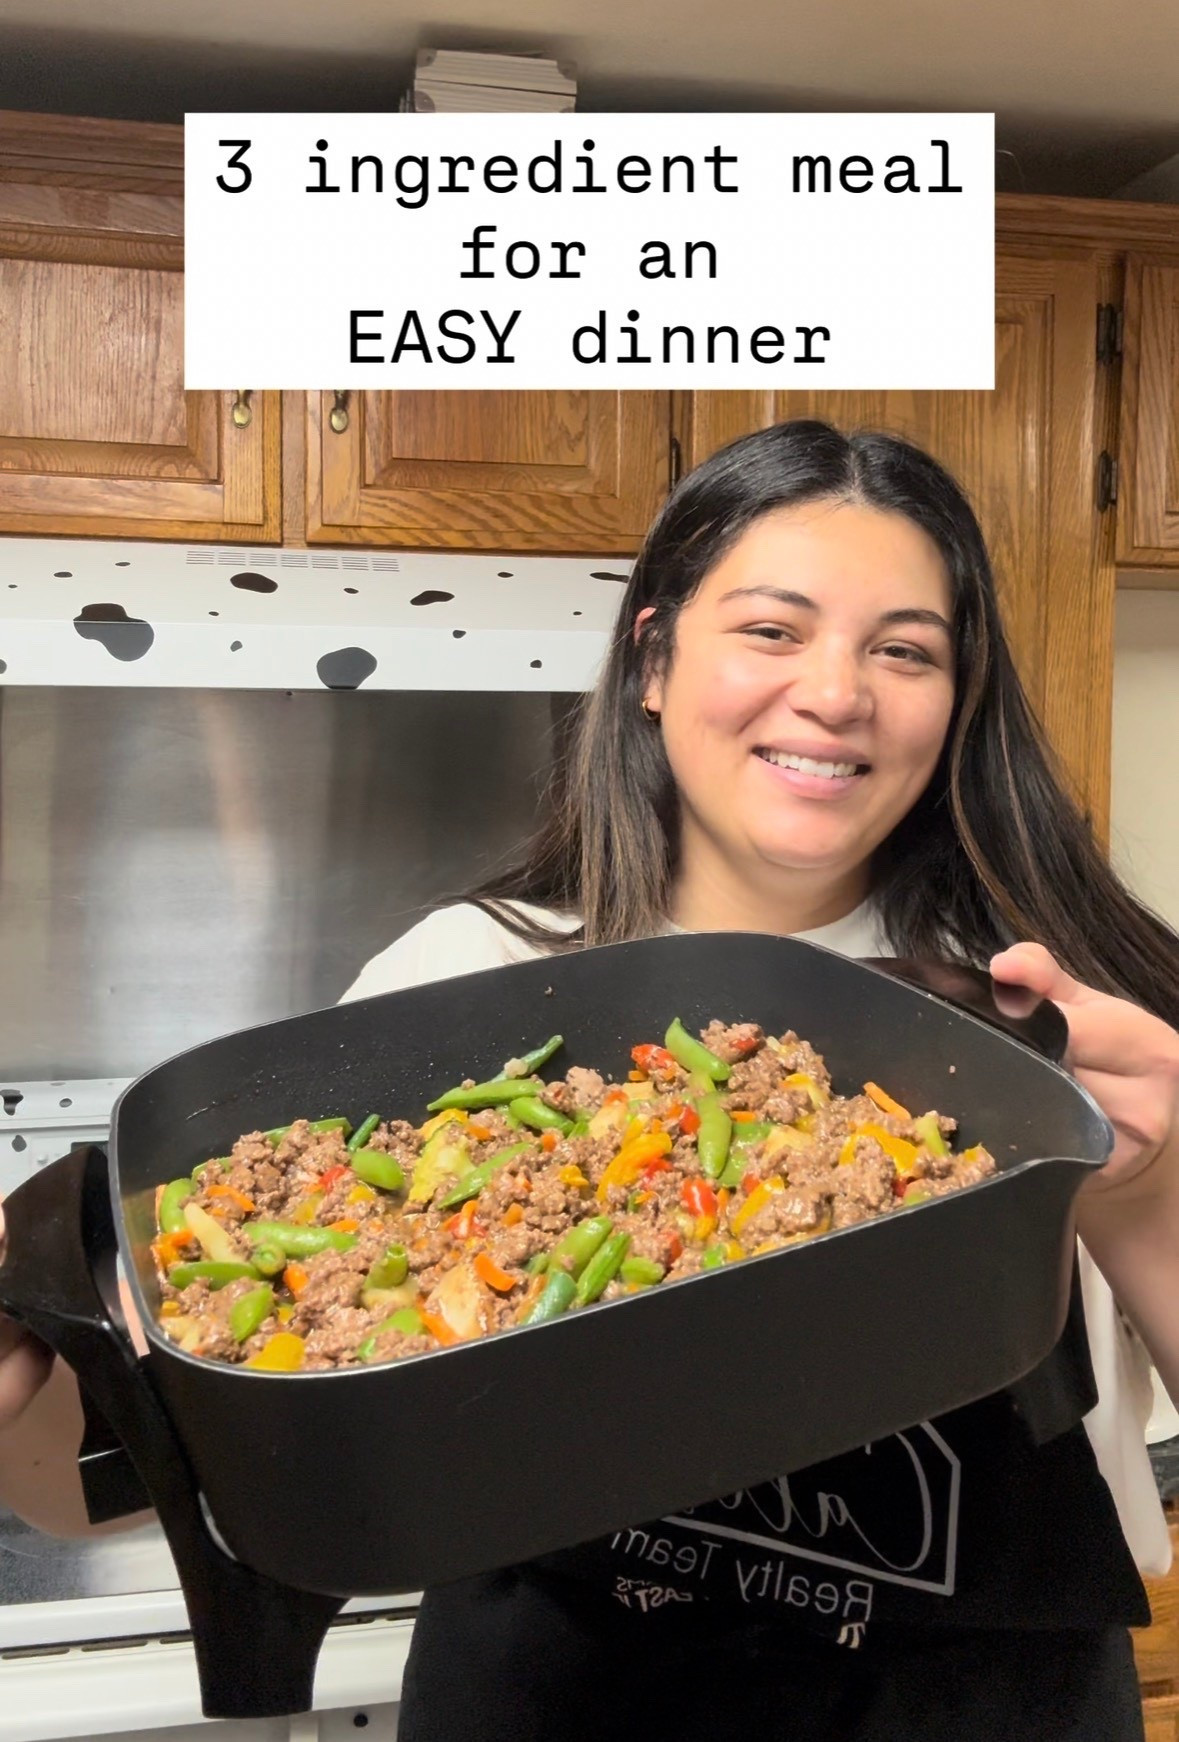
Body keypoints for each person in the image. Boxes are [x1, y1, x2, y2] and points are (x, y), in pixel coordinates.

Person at [2, 421, 1178, 1738]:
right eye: (773, 629)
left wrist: (1144, 1197)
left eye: (904, 650)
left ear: (957, 698)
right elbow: (120, 1484)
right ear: (654, 660)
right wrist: (33, 1372)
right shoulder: (457, 979)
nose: (837, 692)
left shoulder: (1072, 1008)